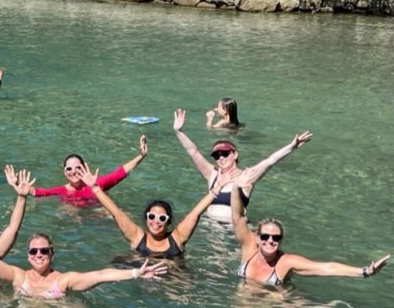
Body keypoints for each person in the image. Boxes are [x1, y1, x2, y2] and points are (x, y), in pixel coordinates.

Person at [0, 224, 169, 298]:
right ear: (28, 256)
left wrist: (135, 273)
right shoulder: (18, 276)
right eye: (33, 252)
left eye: (44, 251)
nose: (39, 255)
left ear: (52, 254)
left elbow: (99, 275)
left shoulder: (63, 281)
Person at [230, 186, 389, 286]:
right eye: (265, 236)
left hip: (272, 306)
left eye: (276, 238)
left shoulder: (286, 262)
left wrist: (365, 272)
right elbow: (237, 217)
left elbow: (327, 268)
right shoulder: (249, 247)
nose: (270, 241)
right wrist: (235, 185)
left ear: (281, 240)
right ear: (257, 238)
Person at [173, 108, 312, 221]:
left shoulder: (247, 176)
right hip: (210, 230)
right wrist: (179, 131)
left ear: (235, 154)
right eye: (216, 155)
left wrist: (292, 147)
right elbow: (193, 152)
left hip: (233, 233)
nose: (221, 158)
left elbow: (270, 161)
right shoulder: (212, 174)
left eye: (225, 154)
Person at [80, 162, 217, 259]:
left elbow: (195, 213)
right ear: (146, 219)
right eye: (152, 216)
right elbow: (116, 212)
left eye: (162, 218)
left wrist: (217, 189)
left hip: (173, 283)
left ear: (168, 223)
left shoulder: (177, 238)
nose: (156, 221)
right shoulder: (137, 237)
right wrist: (95, 189)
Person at [33, 135, 148, 206]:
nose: (73, 172)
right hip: (76, 221)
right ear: (64, 172)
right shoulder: (61, 191)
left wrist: (141, 156)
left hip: (97, 215)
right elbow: (40, 192)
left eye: (78, 167)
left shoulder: (97, 183)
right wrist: (18, 185)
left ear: (84, 168)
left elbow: (120, 173)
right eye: (69, 168)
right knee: (66, 211)